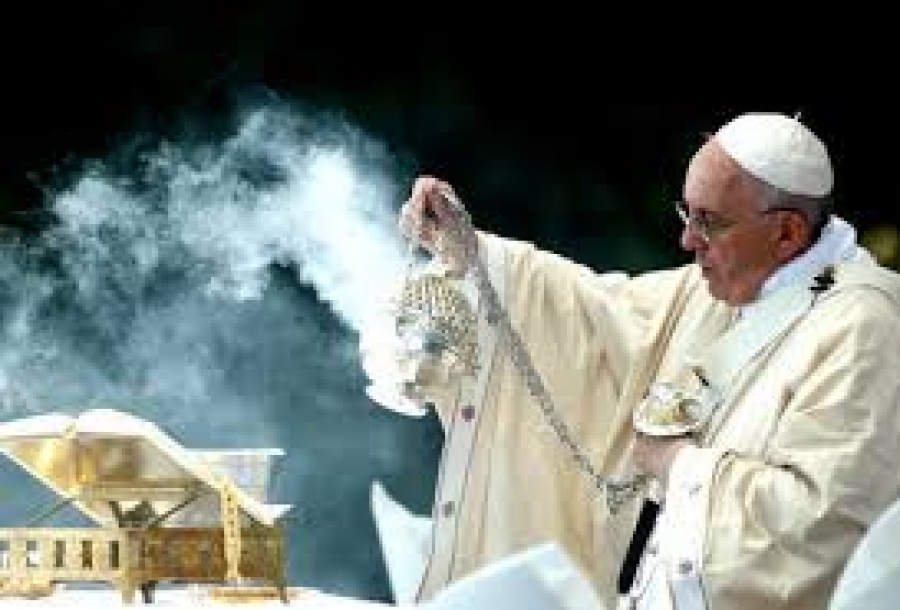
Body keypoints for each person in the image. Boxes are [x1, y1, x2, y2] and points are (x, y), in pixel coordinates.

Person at [361, 111, 900, 610]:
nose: (688, 239)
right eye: (686, 213)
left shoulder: (865, 330)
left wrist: (678, 466)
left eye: (710, 222)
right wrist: (477, 257)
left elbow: (819, 531)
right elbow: (593, 319)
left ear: (787, 232)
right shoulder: (718, 287)